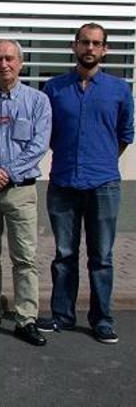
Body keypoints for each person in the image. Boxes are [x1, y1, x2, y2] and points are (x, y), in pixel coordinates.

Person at [37, 23, 134, 345]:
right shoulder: (53, 88)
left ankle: (102, 320)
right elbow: (46, 134)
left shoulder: (120, 89)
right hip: (63, 181)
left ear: (104, 49)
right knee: (64, 254)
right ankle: (63, 315)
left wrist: (102, 158)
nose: (90, 48)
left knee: (102, 256)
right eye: (84, 42)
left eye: (96, 43)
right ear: (74, 46)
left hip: (103, 184)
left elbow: (124, 135)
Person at [0, 39, 51, 346]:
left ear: (21, 63)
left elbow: (39, 145)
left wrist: (8, 174)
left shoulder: (38, 101)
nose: (3, 64)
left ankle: (26, 317)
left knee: (25, 257)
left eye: (9, 58)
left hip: (21, 192)